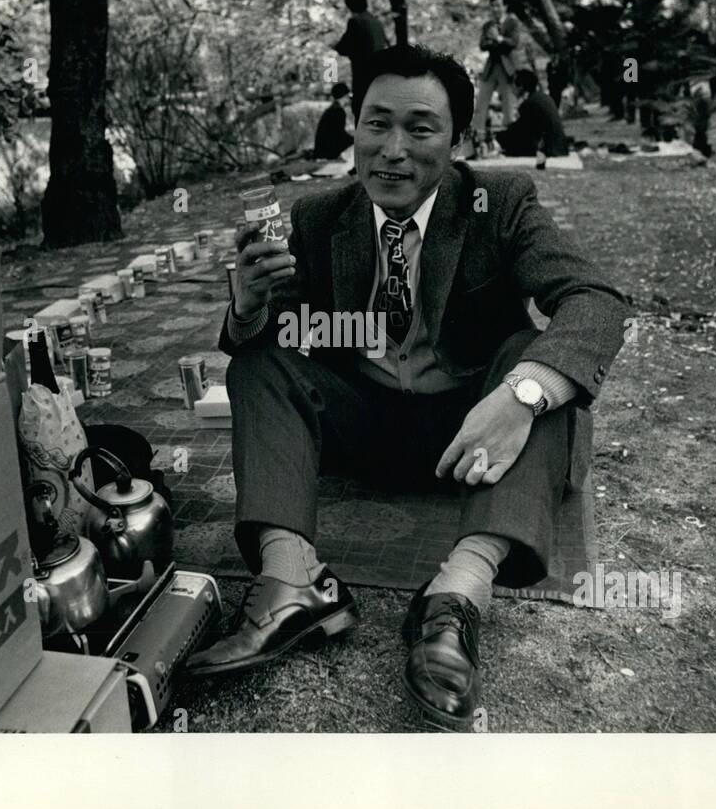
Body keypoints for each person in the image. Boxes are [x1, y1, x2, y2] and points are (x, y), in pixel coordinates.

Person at [187, 44, 630, 730]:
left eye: (420, 129)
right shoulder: (318, 217)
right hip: (365, 423)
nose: (392, 150)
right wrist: (246, 305)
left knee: (533, 361)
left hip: (472, 435)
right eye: (375, 124)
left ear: (460, 139)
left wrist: (520, 397)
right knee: (265, 351)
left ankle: (456, 597)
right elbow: (277, 332)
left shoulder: (500, 203)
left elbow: (596, 298)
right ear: (354, 127)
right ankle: (291, 581)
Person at [471, 0, 529, 143]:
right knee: (481, 103)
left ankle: (512, 139)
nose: (495, 9)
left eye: (498, 5)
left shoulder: (512, 23)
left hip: (507, 68)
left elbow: (513, 43)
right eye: (493, 6)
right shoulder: (488, 24)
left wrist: (497, 39)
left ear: (504, 7)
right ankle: (478, 138)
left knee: (509, 104)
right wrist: (496, 42)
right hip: (490, 68)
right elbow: (483, 45)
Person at [332, 0, 389, 111]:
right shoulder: (377, 23)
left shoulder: (356, 21)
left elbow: (344, 47)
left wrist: (334, 45)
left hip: (363, 75)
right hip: (380, 76)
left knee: (361, 110)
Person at [496, 68, 570, 158]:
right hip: (559, 147)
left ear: (521, 86)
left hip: (548, 150)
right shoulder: (542, 97)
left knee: (506, 139)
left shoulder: (530, 103)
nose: (511, 88)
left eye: (513, 84)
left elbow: (522, 131)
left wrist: (502, 135)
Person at [312, 82, 354, 160]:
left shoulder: (333, 109)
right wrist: (354, 140)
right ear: (344, 96)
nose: (349, 99)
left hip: (322, 149)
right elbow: (340, 134)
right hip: (327, 151)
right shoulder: (338, 111)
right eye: (348, 96)